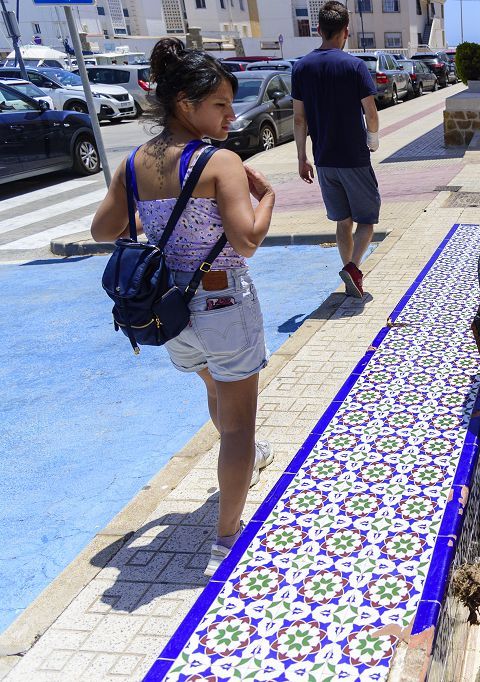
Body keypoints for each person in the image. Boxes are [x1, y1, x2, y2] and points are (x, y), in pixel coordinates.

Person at [90, 38, 277, 576]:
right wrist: (267, 199)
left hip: (170, 312)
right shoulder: (220, 161)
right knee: (240, 426)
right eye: (220, 104)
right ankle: (226, 540)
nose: (231, 115)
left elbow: (105, 229)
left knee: (217, 396)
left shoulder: (136, 163)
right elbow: (245, 241)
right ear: (185, 105)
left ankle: (244, 465)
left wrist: (154, 222)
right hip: (222, 301)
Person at [292, 0, 380, 298]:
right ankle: (353, 268)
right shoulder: (355, 66)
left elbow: (299, 118)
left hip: (324, 159)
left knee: (343, 220)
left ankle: (350, 275)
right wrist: (374, 138)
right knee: (367, 220)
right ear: (346, 31)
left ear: (318, 30)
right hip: (354, 157)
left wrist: (302, 158)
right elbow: (371, 111)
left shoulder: (301, 68)